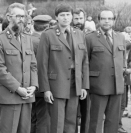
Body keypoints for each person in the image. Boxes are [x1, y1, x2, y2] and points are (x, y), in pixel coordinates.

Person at [37, 4, 89, 133]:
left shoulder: (80, 34)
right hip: (56, 85)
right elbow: (41, 64)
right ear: (56, 17)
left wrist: (84, 86)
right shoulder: (48, 35)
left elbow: (84, 62)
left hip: (75, 84)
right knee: (57, 123)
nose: (65, 18)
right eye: (62, 15)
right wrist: (46, 89)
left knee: (71, 123)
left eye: (68, 15)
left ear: (72, 16)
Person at [0, 3, 38, 133]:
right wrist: (17, 88)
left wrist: (33, 86)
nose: (21, 19)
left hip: (27, 95)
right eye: (18, 16)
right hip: (10, 96)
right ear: (8, 17)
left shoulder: (27, 38)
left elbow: (33, 65)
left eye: (23, 16)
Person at [86, 9, 126, 133]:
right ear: (99, 20)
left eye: (109, 18)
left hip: (117, 86)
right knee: (96, 121)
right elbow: (85, 62)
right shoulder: (90, 38)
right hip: (98, 86)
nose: (106, 21)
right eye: (103, 18)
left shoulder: (120, 37)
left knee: (113, 122)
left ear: (113, 21)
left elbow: (122, 58)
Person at [31, 14, 52, 133]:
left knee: (32, 118)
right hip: (42, 85)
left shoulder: (27, 38)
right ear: (47, 27)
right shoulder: (42, 42)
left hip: (29, 86)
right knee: (43, 120)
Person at [72, 8, 90, 133]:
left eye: (81, 18)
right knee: (71, 115)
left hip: (87, 81)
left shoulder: (90, 36)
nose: (78, 21)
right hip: (72, 81)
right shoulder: (67, 35)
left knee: (86, 114)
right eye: (76, 18)